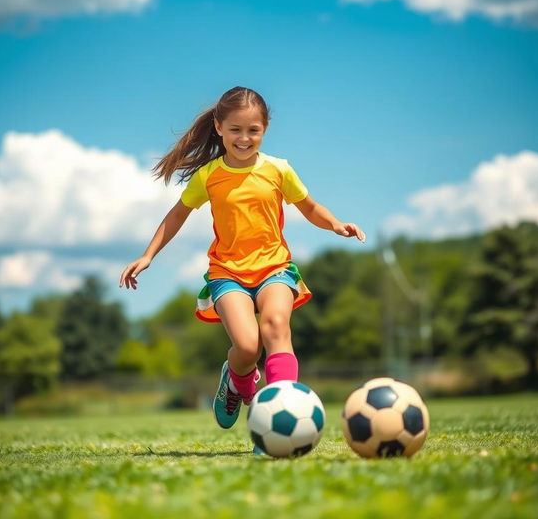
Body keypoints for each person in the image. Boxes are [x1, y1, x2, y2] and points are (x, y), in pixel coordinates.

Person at [119, 87, 365, 447]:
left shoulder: (279, 170)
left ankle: (277, 421)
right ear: (218, 127)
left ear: (265, 128)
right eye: (235, 129)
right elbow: (177, 215)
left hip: (275, 268)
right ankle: (236, 381)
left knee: (277, 327)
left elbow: (309, 207)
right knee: (248, 347)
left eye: (253, 130)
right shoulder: (209, 176)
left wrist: (335, 224)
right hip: (228, 273)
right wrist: (148, 255)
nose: (244, 138)